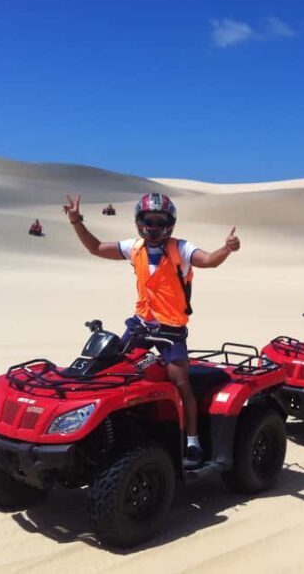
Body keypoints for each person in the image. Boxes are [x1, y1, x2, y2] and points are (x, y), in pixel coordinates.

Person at [63, 191, 240, 468]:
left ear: (169, 223)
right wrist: (76, 221)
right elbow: (95, 248)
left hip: (171, 329)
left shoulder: (181, 249)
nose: (154, 226)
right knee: (115, 369)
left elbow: (209, 260)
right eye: (149, 220)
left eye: (160, 221)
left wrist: (226, 249)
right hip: (141, 324)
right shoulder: (134, 248)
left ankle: (192, 442)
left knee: (180, 382)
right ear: (140, 221)